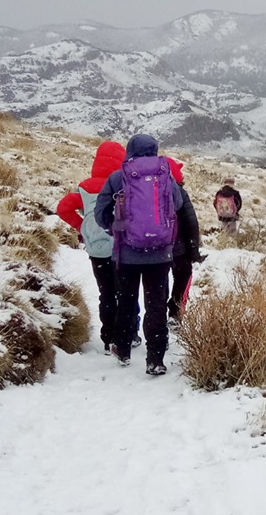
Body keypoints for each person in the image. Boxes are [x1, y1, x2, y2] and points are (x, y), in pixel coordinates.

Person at [95, 133, 183, 376]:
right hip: (160, 253)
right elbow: (176, 205)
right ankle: (155, 359)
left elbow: (100, 211)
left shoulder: (118, 176)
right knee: (156, 304)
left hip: (127, 253)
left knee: (126, 300)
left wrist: (115, 229)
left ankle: (123, 349)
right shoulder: (166, 175)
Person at [56, 141, 126, 356]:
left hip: (96, 248)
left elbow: (63, 208)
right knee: (123, 293)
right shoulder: (121, 185)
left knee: (106, 293)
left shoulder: (85, 188)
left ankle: (107, 337)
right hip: (119, 247)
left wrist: (81, 227)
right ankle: (124, 336)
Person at [165, 158, 203, 321]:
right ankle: (176, 312)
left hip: (157, 247)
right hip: (179, 249)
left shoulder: (149, 189)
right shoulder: (179, 192)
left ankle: (158, 314)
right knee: (183, 277)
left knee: (158, 282)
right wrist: (193, 250)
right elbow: (191, 222)